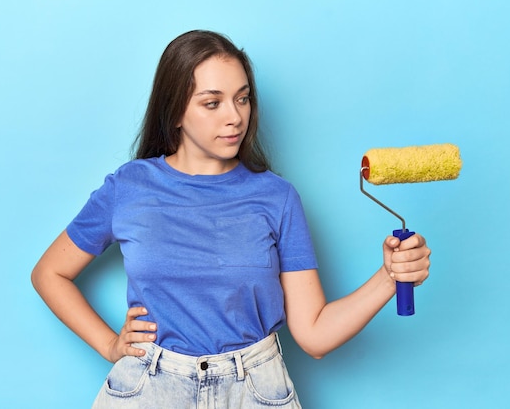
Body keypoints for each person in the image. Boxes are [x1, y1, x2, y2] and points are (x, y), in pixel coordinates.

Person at [31, 30, 431, 408]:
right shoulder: (130, 188)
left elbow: (314, 335)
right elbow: (49, 273)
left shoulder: (277, 197)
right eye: (212, 102)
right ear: (175, 112)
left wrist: (389, 277)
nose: (235, 117)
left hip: (253, 390)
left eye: (242, 99)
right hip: (150, 389)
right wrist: (108, 345)